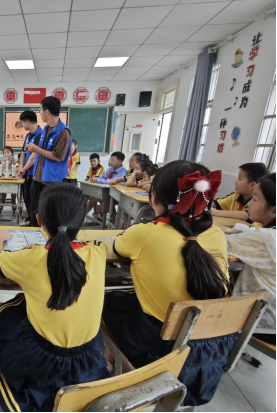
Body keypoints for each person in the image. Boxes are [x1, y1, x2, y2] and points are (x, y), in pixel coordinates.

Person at [103, 160, 236, 407]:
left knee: (108, 301)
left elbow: (115, 247)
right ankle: (118, 360)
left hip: (165, 353)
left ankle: (125, 368)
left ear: (154, 198)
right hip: (210, 356)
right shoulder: (216, 235)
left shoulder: (146, 234)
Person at [0, 184, 109, 412]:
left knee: (2, 312)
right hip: (88, 356)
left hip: (41, 360)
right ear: (83, 220)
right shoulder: (98, 252)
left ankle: (3, 388)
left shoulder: (32, 258)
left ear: (39, 219)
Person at [227, 173, 276, 346]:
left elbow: (219, 243)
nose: (248, 204)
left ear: (273, 211)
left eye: (255, 199)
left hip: (267, 323)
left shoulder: (265, 238)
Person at [28, 97, 72, 227]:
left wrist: (37, 149)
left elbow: (58, 157)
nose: (40, 113)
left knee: (48, 212)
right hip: (38, 177)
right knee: (35, 210)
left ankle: (47, 236)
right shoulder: (46, 129)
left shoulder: (63, 132)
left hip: (51, 180)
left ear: (47, 111)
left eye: (40, 110)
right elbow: (42, 151)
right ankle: (34, 233)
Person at [17, 111, 43, 226]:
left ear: (27, 122)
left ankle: (35, 223)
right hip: (26, 173)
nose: (22, 125)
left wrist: (24, 168)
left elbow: (34, 155)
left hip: (35, 174)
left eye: (22, 123)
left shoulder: (40, 135)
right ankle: (30, 219)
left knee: (34, 199)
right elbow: (23, 152)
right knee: (27, 197)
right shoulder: (28, 136)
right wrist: (21, 167)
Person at [0, 146, 17, 213]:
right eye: (5, 153)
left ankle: (13, 202)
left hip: (13, 179)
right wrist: (4, 163)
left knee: (13, 190)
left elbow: (17, 169)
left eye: (8, 152)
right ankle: (2, 201)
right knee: (4, 190)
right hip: (4, 179)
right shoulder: (2, 161)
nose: (6, 154)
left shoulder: (15, 161)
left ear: (12, 153)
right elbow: (0, 169)